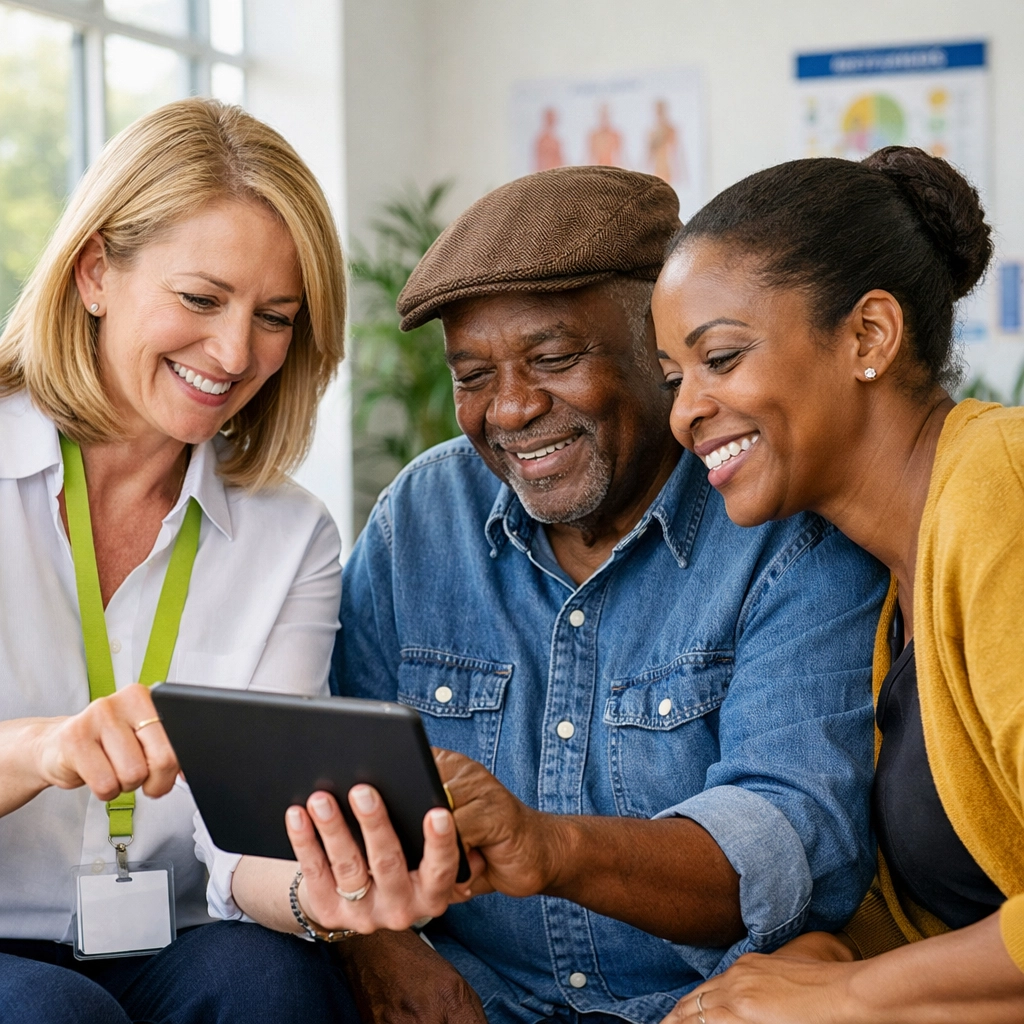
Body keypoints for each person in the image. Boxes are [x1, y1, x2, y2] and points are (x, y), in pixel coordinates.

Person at [332, 165, 890, 1024]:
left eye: (554, 359)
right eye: (473, 375)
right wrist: (380, 946)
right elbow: (333, 774)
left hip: (703, 1005)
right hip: (475, 999)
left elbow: (791, 839)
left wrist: (549, 845)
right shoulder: (422, 515)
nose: (510, 409)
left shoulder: (786, 527)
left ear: (661, 354)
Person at [0, 98, 464, 1024]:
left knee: (274, 983)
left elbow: (243, 843)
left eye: (276, 317)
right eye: (201, 298)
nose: (234, 352)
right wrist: (40, 749)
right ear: (95, 272)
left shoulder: (291, 535)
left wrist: (322, 902)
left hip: (173, 940)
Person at [652, 147, 1024, 1023]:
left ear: (869, 336)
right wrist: (834, 951)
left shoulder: (998, 492)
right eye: (674, 378)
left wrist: (849, 994)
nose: (683, 410)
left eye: (722, 357)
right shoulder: (886, 573)